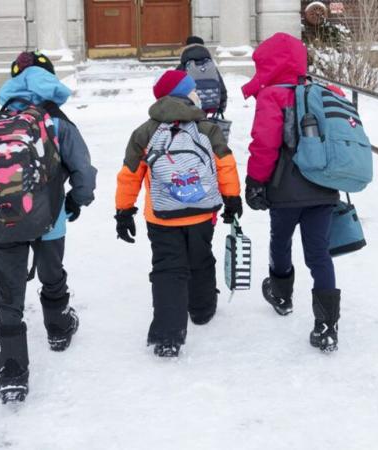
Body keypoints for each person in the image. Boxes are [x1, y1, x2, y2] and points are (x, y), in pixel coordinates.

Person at [0, 51, 97, 402]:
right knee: (52, 271)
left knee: (9, 293)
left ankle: (12, 371)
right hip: (50, 217)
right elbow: (83, 169)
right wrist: (77, 201)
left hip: (1, 221)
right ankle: (58, 327)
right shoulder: (55, 121)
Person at [115, 70, 241, 357]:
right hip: (201, 212)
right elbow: (225, 165)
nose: (197, 92)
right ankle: (202, 309)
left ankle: (168, 336)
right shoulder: (207, 128)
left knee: (168, 268)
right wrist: (232, 198)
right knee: (200, 258)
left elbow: (129, 175)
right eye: (193, 89)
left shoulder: (145, 131)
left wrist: (124, 210)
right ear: (185, 95)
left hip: (161, 216)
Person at [242, 33, 342, 352]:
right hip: (324, 185)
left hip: (285, 188)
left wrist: (255, 181)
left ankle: (282, 295)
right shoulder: (325, 91)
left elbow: (265, 144)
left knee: (280, 239)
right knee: (318, 253)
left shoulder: (272, 95)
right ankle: (327, 326)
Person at [177, 35, 228, 116]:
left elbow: (173, 87)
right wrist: (222, 104)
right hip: (210, 104)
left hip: (189, 106)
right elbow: (221, 85)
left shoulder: (184, 65)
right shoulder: (210, 65)